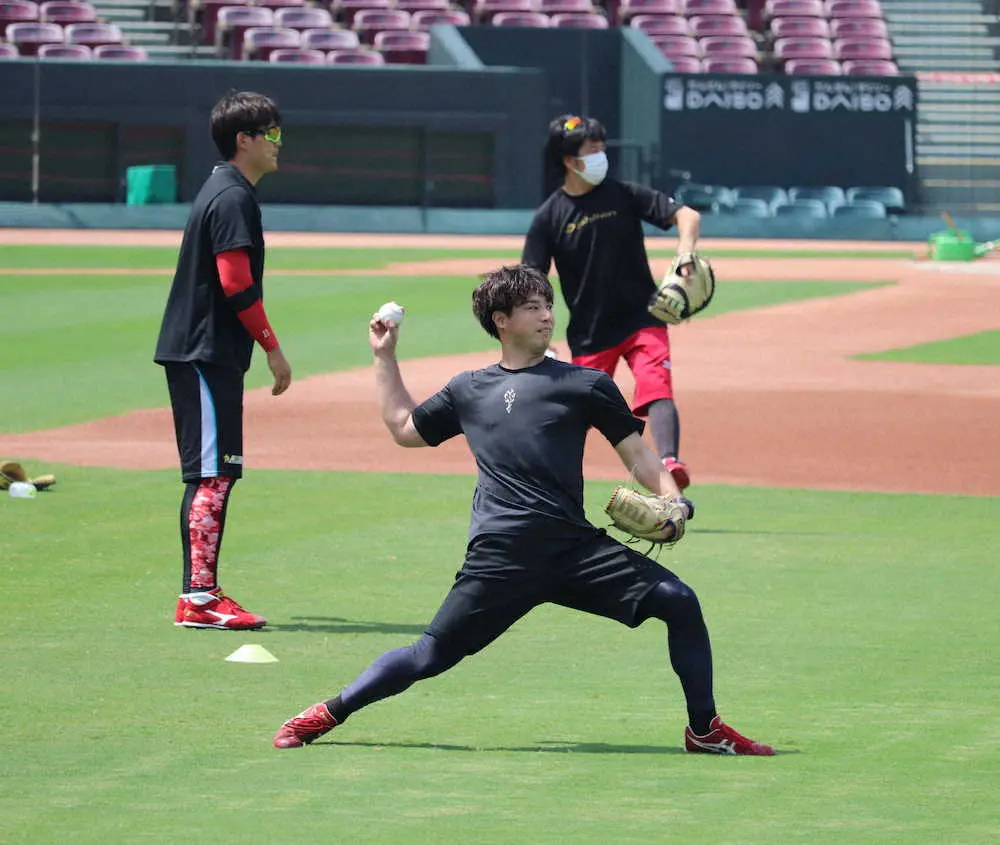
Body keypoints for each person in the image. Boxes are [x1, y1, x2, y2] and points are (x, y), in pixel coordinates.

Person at [273, 265, 772, 756]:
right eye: (532, 307)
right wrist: (385, 357)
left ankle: (704, 729)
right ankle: (327, 712)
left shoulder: (586, 384)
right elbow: (405, 429)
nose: (546, 316)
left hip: (574, 549)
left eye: (548, 305)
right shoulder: (469, 389)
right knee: (429, 655)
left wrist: (672, 498)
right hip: (501, 557)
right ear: (501, 320)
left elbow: (639, 455)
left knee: (679, 601)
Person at [154, 90, 293, 631]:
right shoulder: (232, 196)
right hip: (204, 351)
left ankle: (201, 593)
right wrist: (273, 348)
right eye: (273, 134)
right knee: (212, 476)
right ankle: (199, 598)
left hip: (205, 351)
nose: (280, 143)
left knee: (213, 475)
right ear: (246, 140)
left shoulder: (227, 189)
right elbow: (236, 283)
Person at [521, 114, 702, 491]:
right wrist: (537, 336)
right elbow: (531, 283)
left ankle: (669, 462)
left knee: (656, 385)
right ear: (570, 161)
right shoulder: (548, 218)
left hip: (644, 316)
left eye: (603, 149)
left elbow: (686, 215)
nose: (603, 157)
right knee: (578, 411)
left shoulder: (623, 194)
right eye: (594, 151)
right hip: (590, 333)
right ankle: (546, 478)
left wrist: (685, 255)